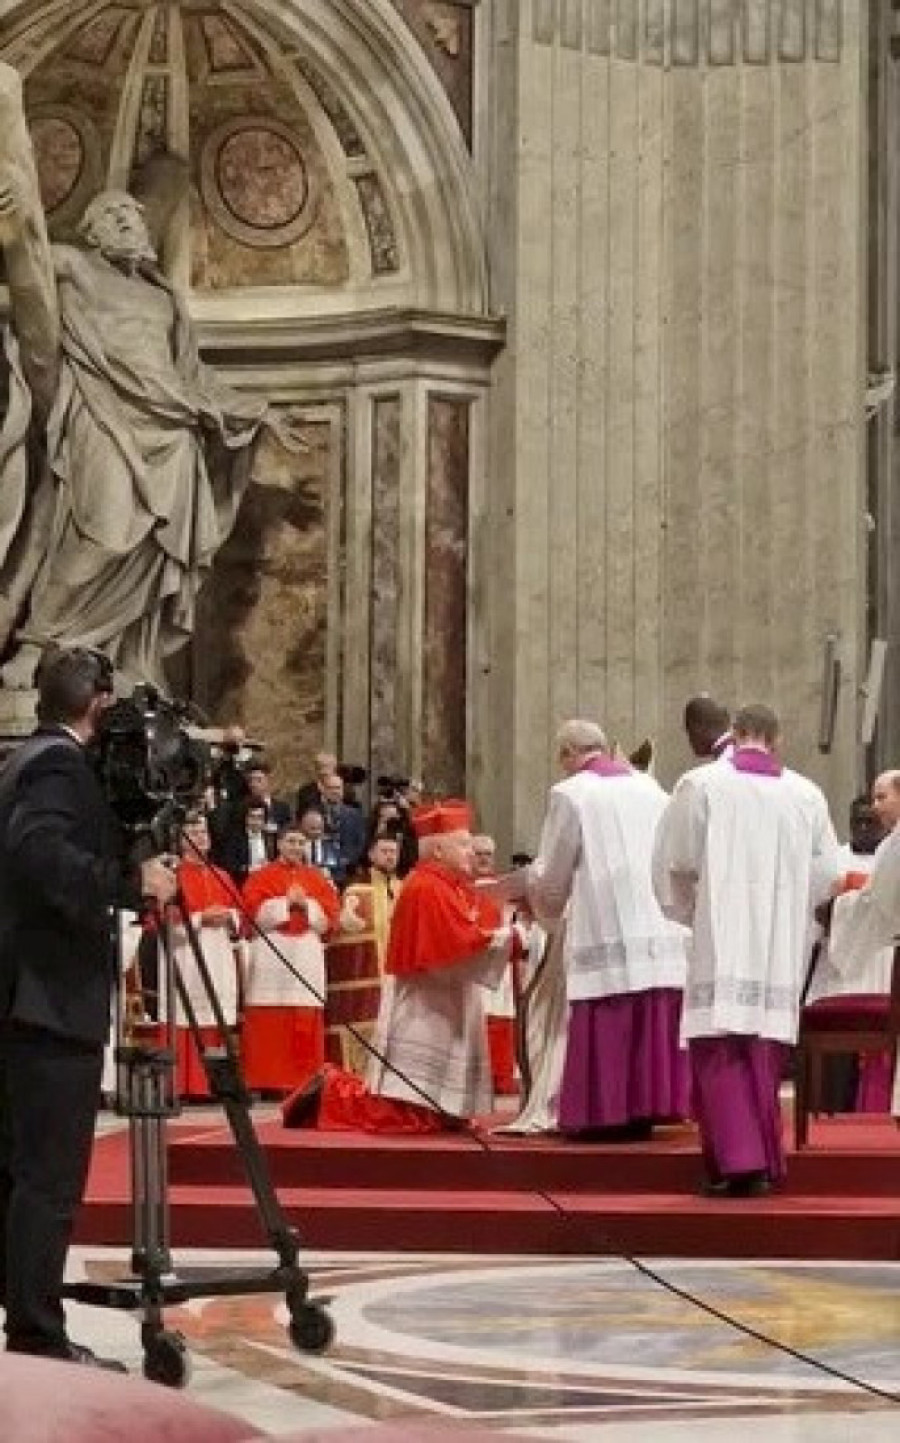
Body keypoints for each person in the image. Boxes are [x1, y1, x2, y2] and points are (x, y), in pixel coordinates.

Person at [0, 64, 310, 690]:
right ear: (91, 233)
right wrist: (12, 218)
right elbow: (26, 263)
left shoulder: (162, 298)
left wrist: (258, 411)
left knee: (151, 555)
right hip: (102, 415)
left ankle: (127, 664)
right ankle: (38, 648)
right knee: (101, 534)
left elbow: (189, 377)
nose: (128, 225)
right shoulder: (77, 268)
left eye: (133, 218)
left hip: (171, 435)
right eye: (114, 218)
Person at [0, 646, 176, 1366]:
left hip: (25, 996)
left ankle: (25, 1322)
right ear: (99, 704)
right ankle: (36, 1333)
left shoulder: (24, 758)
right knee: (48, 1176)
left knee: (20, 1171)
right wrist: (130, 884)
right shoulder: (58, 766)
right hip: (46, 999)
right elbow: (38, 853)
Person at [653, 703, 842, 1196]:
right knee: (763, 1051)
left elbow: (676, 862)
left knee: (720, 1046)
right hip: (778, 942)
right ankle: (763, 1157)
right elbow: (827, 874)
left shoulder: (701, 785)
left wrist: (691, 911)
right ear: (777, 740)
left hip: (721, 932)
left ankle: (739, 1163)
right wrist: (792, 916)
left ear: (735, 734)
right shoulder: (806, 793)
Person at [284, 800, 512, 1133]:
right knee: (404, 1113)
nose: (471, 851)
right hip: (425, 1007)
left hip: (443, 1000)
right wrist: (508, 939)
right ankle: (327, 1094)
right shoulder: (427, 887)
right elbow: (456, 947)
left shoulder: (447, 885)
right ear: (438, 851)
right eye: (463, 844)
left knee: (429, 1113)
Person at [526, 719, 689, 1140]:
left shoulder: (570, 793)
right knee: (650, 1009)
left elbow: (555, 871)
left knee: (610, 1009)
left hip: (606, 920)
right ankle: (647, 1108)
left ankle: (607, 1112)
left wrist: (537, 895)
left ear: (567, 753)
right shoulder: (651, 788)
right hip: (658, 924)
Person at [241, 824, 340, 1096]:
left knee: (304, 1013)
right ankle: (266, 1081)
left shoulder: (317, 878)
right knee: (268, 1017)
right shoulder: (261, 876)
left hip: (306, 952)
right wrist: (285, 904)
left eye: (300, 842)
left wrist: (306, 905)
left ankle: (303, 1082)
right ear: (279, 844)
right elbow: (251, 911)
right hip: (271, 952)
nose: (296, 847)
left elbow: (331, 916)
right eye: (291, 841)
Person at [169, 810, 241, 1100]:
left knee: (216, 1015)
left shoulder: (221, 875)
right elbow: (164, 920)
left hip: (218, 952)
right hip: (187, 953)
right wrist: (200, 918)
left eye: (204, 832)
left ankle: (213, 1085)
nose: (201, 838)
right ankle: (184, 1085)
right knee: (188, 1016)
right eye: (194, 833)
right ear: (182, 840)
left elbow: (240, 913)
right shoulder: (173, 875)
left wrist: (229, 916)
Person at [325, 831, 402, 1072]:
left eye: (393, 852)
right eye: (384, 851)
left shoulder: (404, 889)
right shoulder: (356, 891)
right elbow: (345, 931)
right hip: (369, 977)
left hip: (399, 978)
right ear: (371, 855)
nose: (390, 856)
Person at [472, 834, 520, 1097]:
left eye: (488, 854)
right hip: (472, 962)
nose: (483, 859)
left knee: (501, 1019)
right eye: (478, 854)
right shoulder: (461, 886)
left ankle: (501, 1077)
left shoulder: (505, 888)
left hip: (501, 962)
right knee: (477, 1021)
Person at [683, 695, 732, 761]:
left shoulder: (724, 763)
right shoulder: (743, 752)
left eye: (689, 731)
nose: (690, 740)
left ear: (697, 727)